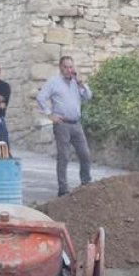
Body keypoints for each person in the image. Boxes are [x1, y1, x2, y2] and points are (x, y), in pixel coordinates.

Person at [37, 56, 93, 196]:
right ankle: (63, 189)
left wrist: (81, 83)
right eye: (66, 67)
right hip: (62, 124)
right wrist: (50, 115)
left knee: (85, 154)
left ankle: (86, 183)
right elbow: (41, 97)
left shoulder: (76, 83)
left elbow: (88, 97)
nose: (68, 70)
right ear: (60, 68)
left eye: (70, 67)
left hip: (76, 123)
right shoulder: (54, 82)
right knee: (64, 156)